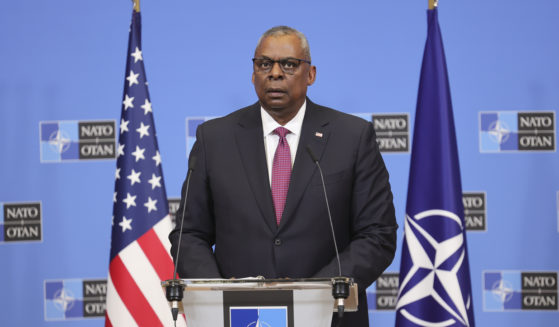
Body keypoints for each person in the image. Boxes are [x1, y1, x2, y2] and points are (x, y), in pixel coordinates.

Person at [169, 25, 398, 326]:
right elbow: (188, 234)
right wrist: (223, 296)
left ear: (311, 74)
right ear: (253, 74)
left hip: (329, 316)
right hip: (239, 318)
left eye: (288, 65)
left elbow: (378, 234)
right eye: (264, 64)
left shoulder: (352, 137)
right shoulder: (215, 139)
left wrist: (312, 294)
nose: (275, 73)